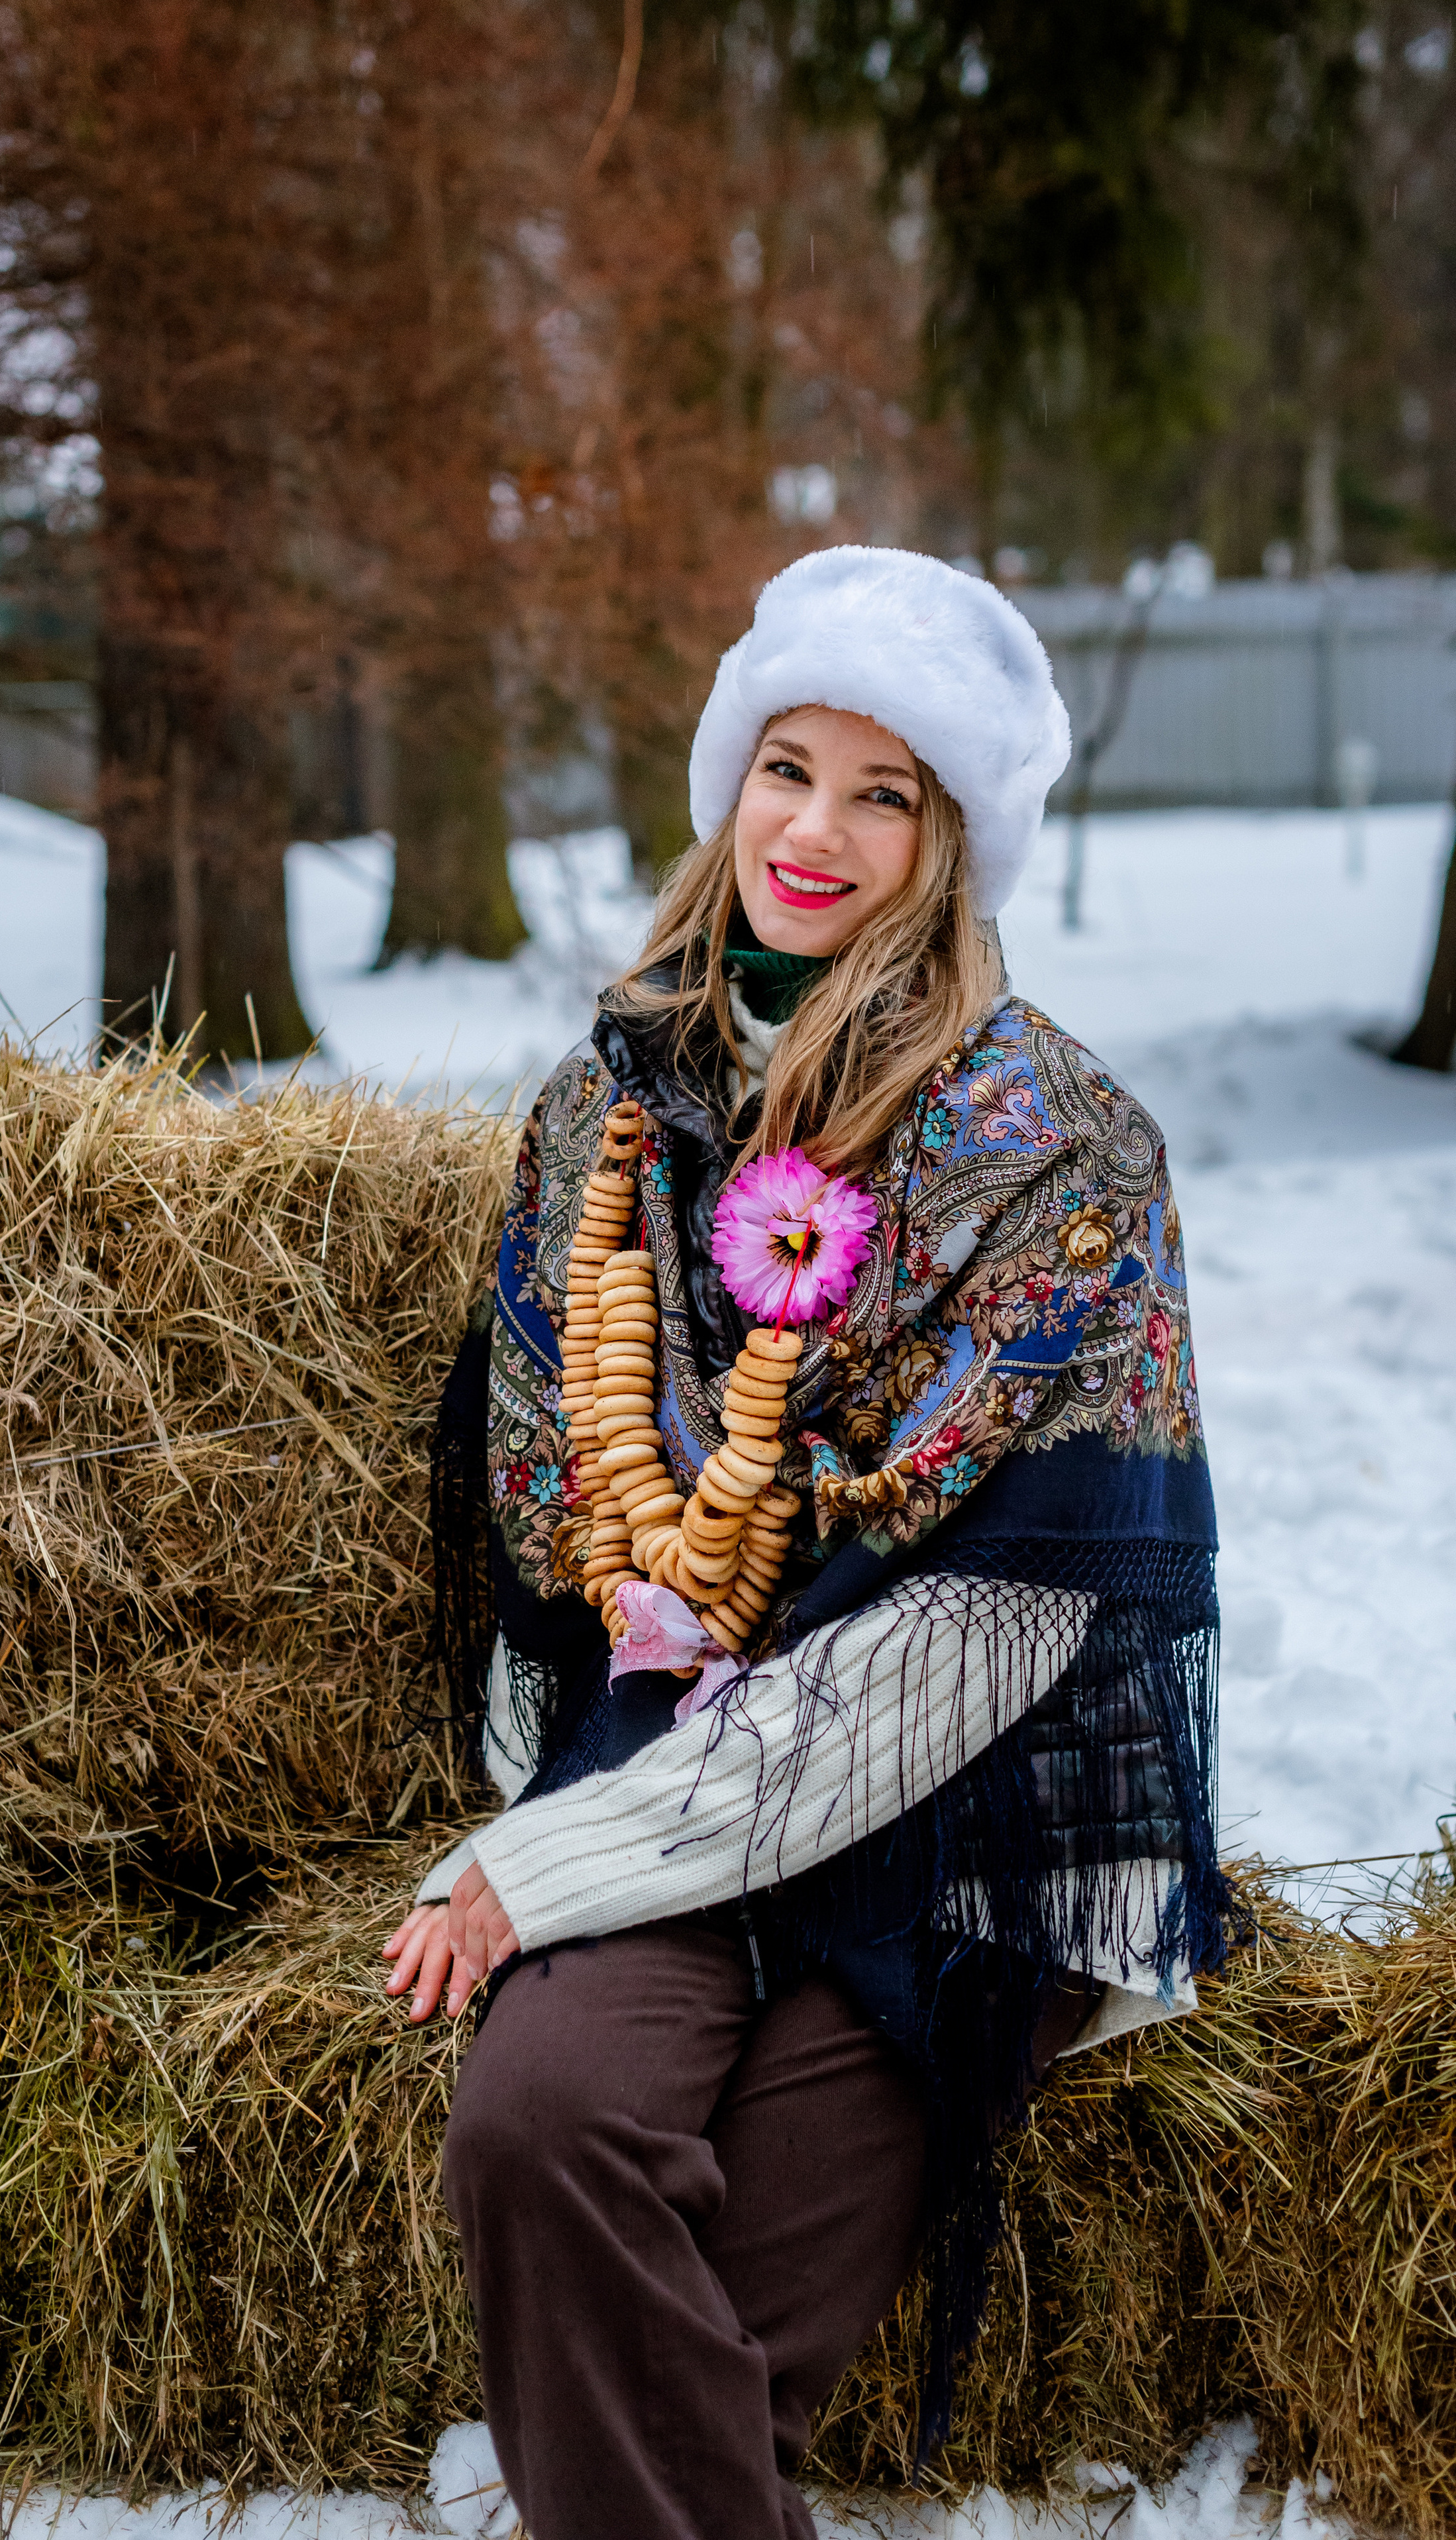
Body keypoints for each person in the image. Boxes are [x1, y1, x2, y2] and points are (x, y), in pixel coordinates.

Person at [382, 547, 1226, 2540]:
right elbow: (545, 1487)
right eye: (786, 766)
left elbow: (977, 1642)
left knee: (726, 2308)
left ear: (952, 842)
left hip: (954, 1826)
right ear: (723, 783)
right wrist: (608, 1738)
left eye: (886, 790)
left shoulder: (1058, 1149)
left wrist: (551, 1863)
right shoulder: (611, 1101)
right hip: (681, 1748)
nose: (816, 833)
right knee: (538, 2122)